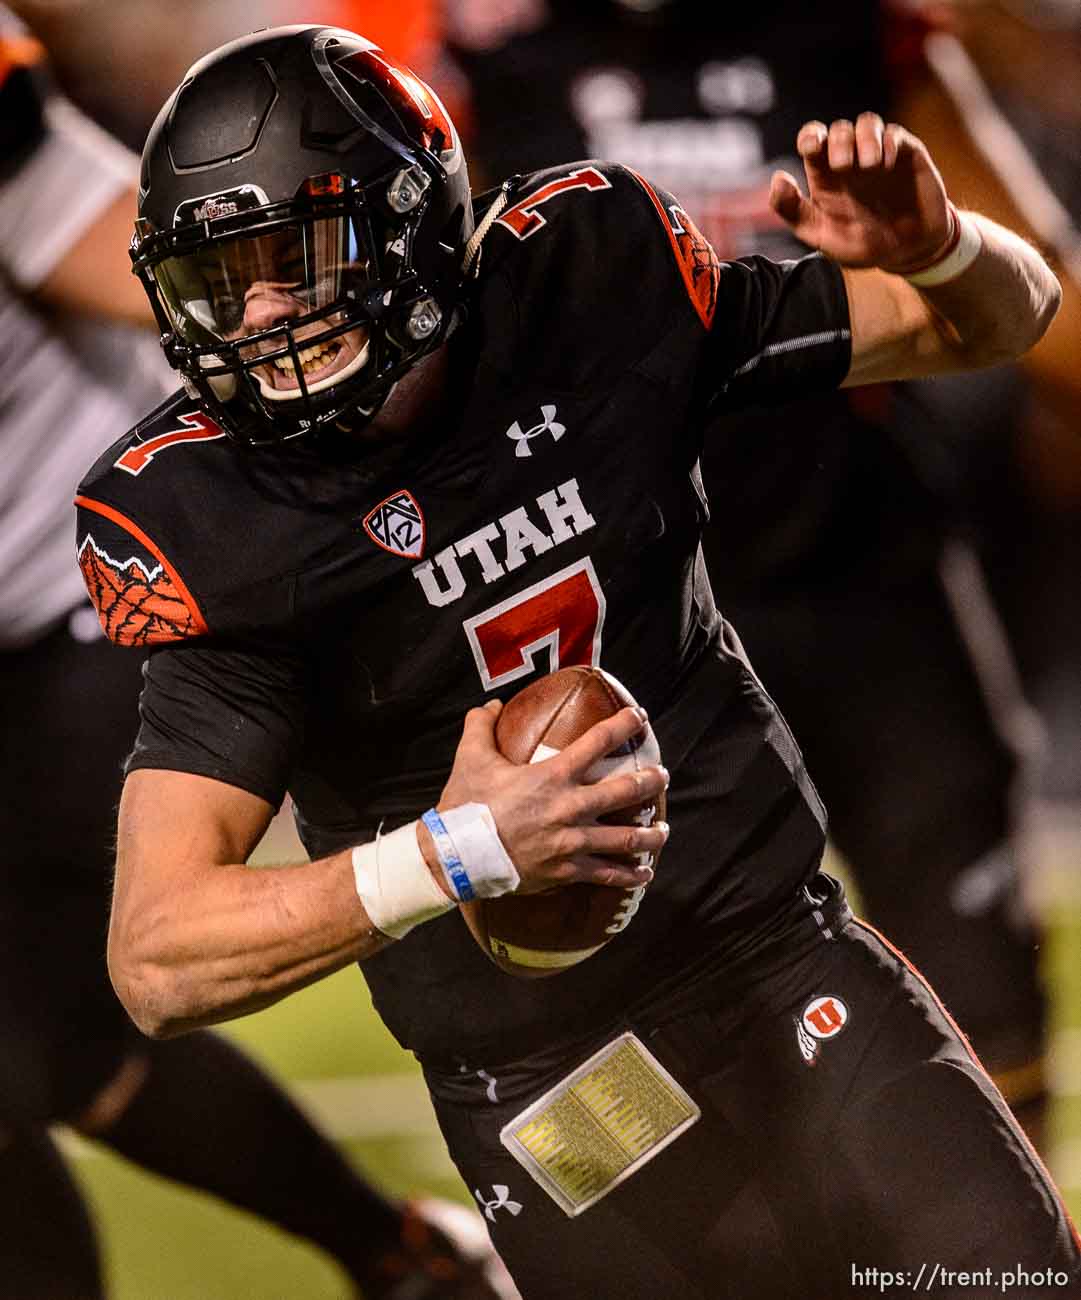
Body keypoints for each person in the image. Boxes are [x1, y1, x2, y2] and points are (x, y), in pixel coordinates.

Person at [74, 22, 1079, 1296]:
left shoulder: (584, 284)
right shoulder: (223, 514)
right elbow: (156, 954)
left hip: (777, 954)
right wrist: (455, 851)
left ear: (404, 222)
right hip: (547, 1080)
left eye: (291, 258)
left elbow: (996, 318)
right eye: (222, 280)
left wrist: (941, 246)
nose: (259, 313)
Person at [447, 0, 1059, 1142]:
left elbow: (1029, 291)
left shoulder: (849, 38)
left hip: (858, 568)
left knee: (976, 968)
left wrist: (930, 248)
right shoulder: (479, 56)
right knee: (624, 1014)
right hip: (633, 619)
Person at [0, 11, 514, 1298]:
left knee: (44, 1017)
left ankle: (398, 1251)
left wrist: (386, 391)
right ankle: (398, 1255)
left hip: (98, 585)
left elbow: (181, 269)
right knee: (52, 1042)